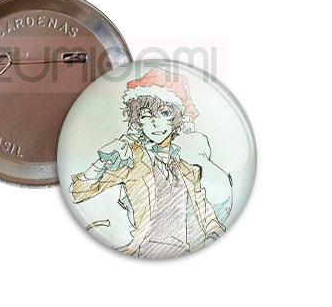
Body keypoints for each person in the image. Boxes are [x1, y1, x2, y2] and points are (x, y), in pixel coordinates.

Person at [70, 67, 233, 259]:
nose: (155, 123)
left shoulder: (187, 170)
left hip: (184, 253)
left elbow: (206, 215)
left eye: (164, 112)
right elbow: (79, 192)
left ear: (177, 119)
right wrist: (101, 162)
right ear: (137, 121)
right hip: (144, 252)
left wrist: (214, 235)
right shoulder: (132, 160)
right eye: (146, 115)